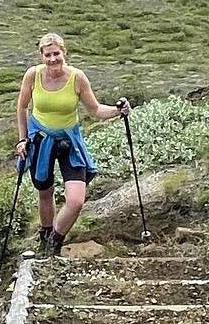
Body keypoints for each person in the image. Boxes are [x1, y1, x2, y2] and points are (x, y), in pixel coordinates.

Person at [16, 31, 129, 256]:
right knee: (44, 192)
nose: (52, 59)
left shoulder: (77, 78)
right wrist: (22, 138)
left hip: (69, 141)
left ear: (64, 52)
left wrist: (118, 111)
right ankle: (45, 235)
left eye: (56, 53)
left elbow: (95, 109)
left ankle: (55, 241)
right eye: (47, 55)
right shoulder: (33, 75)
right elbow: (22, 107)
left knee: (76, 200)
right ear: (41, 56)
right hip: (41, 139)